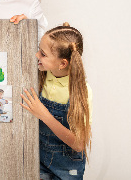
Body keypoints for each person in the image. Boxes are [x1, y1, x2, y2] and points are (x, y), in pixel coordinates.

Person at [20, 22, 92, 179]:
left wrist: (44, 115)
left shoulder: (80, 92)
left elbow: (79, 144)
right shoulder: (45, 73)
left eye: (43, 54)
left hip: (67, 168)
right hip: (40, 161)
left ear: (62, 63)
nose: (37, 55)